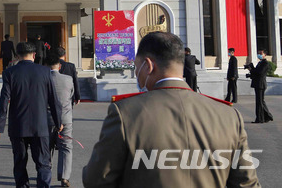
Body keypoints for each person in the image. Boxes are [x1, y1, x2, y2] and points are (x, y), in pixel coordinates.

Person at [83, 32, 260, 187]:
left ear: (148, 65)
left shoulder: (125, 113)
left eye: (137, 68)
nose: (137, 74)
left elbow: (97, 180)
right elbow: (246, 183)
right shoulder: (229, 116)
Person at [0, 42, 62, 188]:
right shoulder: (45, 72)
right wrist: (58, 121)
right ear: (34, 55)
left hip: (18, 125)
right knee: (43, 163)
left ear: (17, 56)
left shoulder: (9, 73)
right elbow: (53, 100)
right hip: (40, 126)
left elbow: (4, 101)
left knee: (19, 163)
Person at [46, 52, 74, 188]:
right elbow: (71, 96)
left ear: (46, 66)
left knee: (46, 147)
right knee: (66, 147)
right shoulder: (68, 79)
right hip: (65, 118)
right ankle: (64, 177)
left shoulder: (43, 79)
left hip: (47, 119)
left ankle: (46, 173)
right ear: (60, 66)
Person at [246, 50, 273, 123]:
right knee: (261, 102)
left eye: (261, 54)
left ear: (265, 55)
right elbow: (256, 72)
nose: (259, 55)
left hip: (260, 84)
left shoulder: (265, 63)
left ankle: (260, 118)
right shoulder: (260, 63)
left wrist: (252, 69)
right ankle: (267, 116)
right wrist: (251, 69)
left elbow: (259, 73)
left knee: (259, 102)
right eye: (258, 53)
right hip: (257, 84)